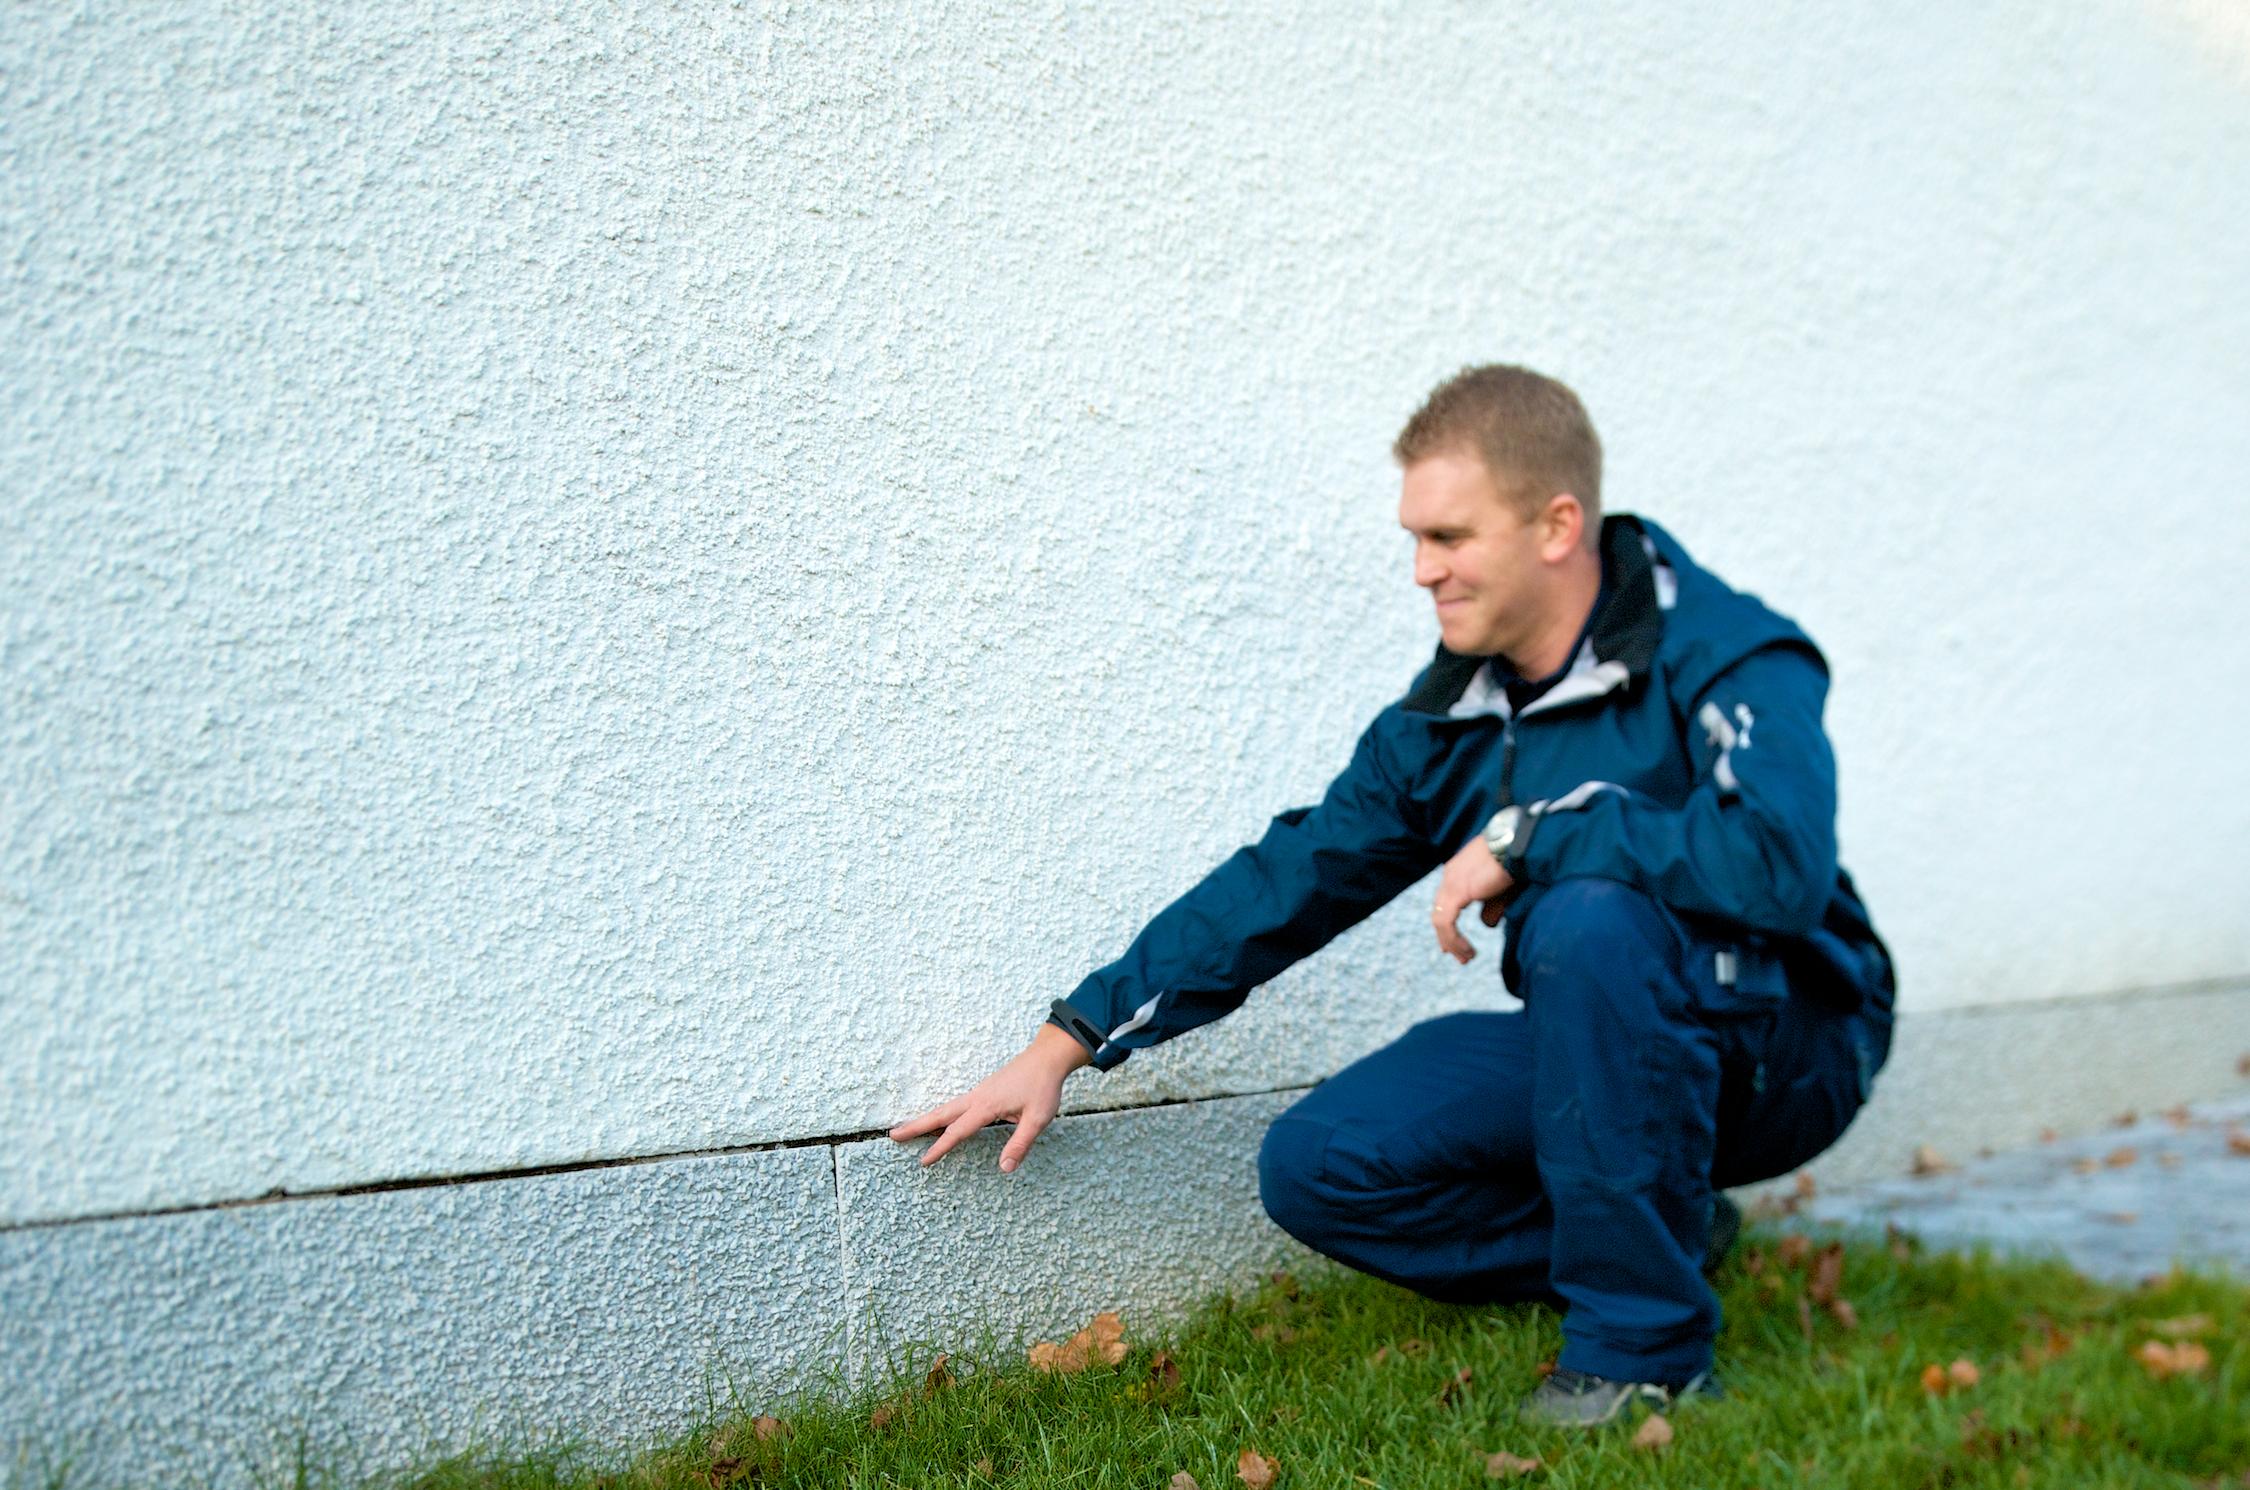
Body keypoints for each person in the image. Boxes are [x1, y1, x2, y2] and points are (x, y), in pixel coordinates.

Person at [889, 363, 1897, 1429]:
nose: (1422, 571)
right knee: (1323, 1165)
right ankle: (1672, 1228)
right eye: (1414, 539)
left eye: (1450, 538)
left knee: (1588, 908)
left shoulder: (1727, 651)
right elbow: (1294, 876)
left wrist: (1540, 833)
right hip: (1614, 1049)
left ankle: (1643, 1350)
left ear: (1557, 524)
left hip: (1790, 1041)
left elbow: (1780, 862)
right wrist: (1068, 1038)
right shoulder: (1452, 716)